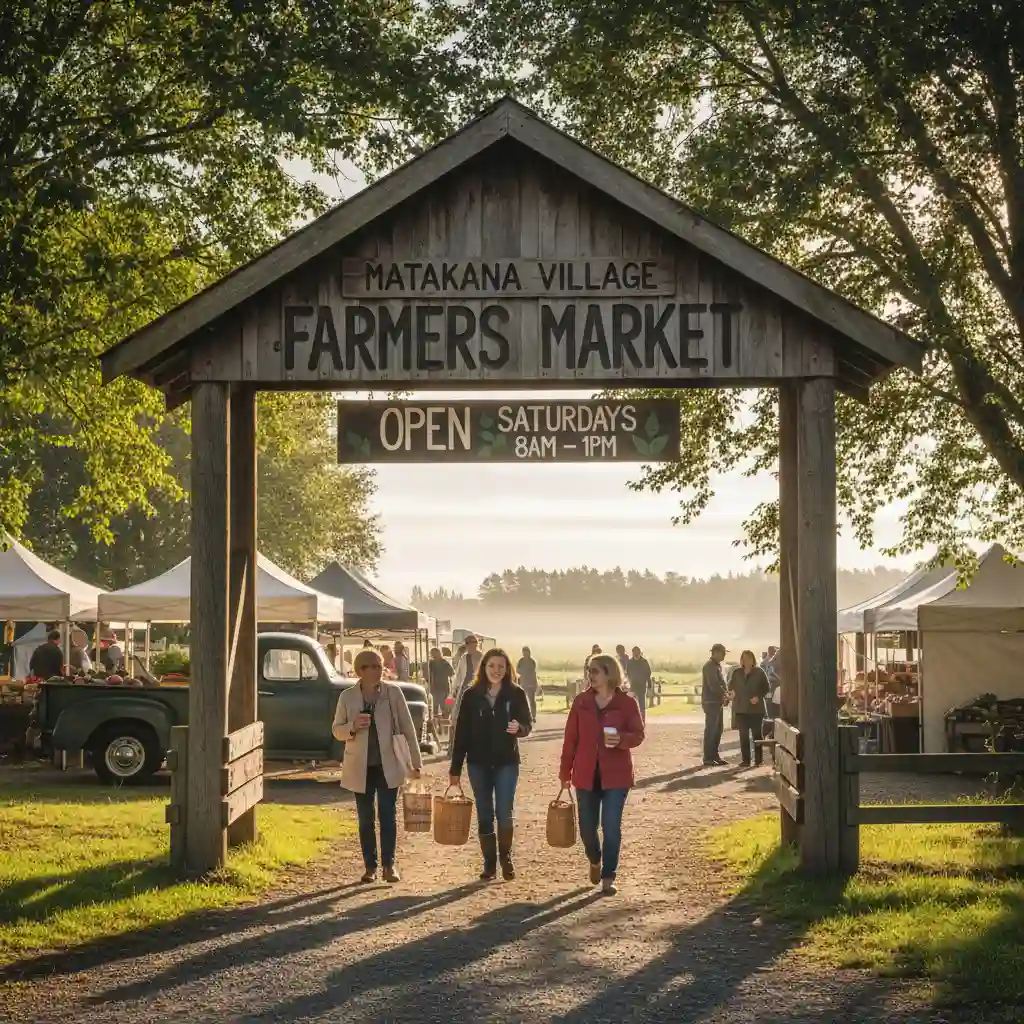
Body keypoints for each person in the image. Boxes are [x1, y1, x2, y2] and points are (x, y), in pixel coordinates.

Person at [332, 648, 423, 883]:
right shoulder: (347, 697)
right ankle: (370, 867)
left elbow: (407, 728)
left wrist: (415, 762)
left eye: (379, 666)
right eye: (370, 667)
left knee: (388, 816)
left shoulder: (393, 693)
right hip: (359, 767)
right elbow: (337, 731)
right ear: (360, 670)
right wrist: (352, 725)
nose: (376, 671)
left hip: (388, 764)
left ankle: (389, 866)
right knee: (365, 819)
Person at [559, 654, 645, 895]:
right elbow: (570, 740)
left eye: (595, 671)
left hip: (616, 777)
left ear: (609, 673)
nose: (591, 676)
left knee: (611, 826)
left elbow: (638, 734)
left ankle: (609, 876)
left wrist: (621, 740)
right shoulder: (581, 702)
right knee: (587, 827)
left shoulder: (627, 703)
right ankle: (594, 859)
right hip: (585, 775)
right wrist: (565, 771)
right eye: (589, 671)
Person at [449, 647, 532, 881]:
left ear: (508, 669)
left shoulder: (515, 694)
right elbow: (461, 734)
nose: (496, 670)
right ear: (483, 668)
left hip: (507, 762)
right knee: (484, 813)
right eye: (492, 666)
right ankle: (489, 863)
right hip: (478, 763)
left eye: (501, 666)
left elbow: (527, 723)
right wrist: (455, 769)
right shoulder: (471, 695)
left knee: (504, 812)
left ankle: (505, 857)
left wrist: (520, 729)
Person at [729, 650, 771, 767]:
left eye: (749, 658)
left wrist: (758, 697)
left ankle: (758, 760)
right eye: (744, 658)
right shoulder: (736, 672)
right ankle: (745, 761)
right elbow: (731, 686)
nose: (746, 661)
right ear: (741, 660)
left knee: (757, 735)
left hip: (756, 710)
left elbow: (767, 688)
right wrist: (731, 693)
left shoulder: (759, 672)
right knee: (743, 736)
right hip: (740, 709)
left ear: (753, 660)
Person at [701, 643, 729, 767]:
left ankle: (714, 755)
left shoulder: (716, 666)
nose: (724, 656)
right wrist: (725, 694)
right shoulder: (709, 666)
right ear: (716, 653)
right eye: (722, 653)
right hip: (711, 702)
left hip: (716, 701)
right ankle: (708, 757)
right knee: (711, 730)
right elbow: (714, 685)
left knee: (718, 729)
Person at [451, 635, 483, 720]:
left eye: (473, 643)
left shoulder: (482, 657)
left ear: (476, 644)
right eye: (468, 643)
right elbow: (459, 674)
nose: (470, 645)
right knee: (460, 708)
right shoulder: (464, 657)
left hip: (478, 687)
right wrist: (455, 688)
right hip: (464, 687)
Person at [625, 645, 652, 723]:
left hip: (641, 685)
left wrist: (649, 683)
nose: (636, 654)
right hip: (633, 685)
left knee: (641, 704)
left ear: (640, 653)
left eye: (637, 653)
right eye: (634, 653)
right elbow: (628, 673)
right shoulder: (630, 662)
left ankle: (642, 720)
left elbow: (648, 673)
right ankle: (633, 721)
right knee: (631, 704)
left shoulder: (644, 662)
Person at [427, 647, 454, 718]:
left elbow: (451, 673)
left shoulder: (433, 663)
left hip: (440, 688)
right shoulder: (443, 663)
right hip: (440, 688)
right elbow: (451, 673)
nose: (433, 656)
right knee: (441, 707)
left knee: (439, 707)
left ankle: (440, 723)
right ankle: (441, 723)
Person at [516, 646, 539, 720]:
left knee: (531, 700)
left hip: (531, 683)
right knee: (522, 700)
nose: (525, 654)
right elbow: (517, 670)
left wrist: (535, 684)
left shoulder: (532, 661)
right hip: (523, 683)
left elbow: (532, 672)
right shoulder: (521, 661)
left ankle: (533, 716)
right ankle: (523, 715)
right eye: (524, 652)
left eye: (527, 652)